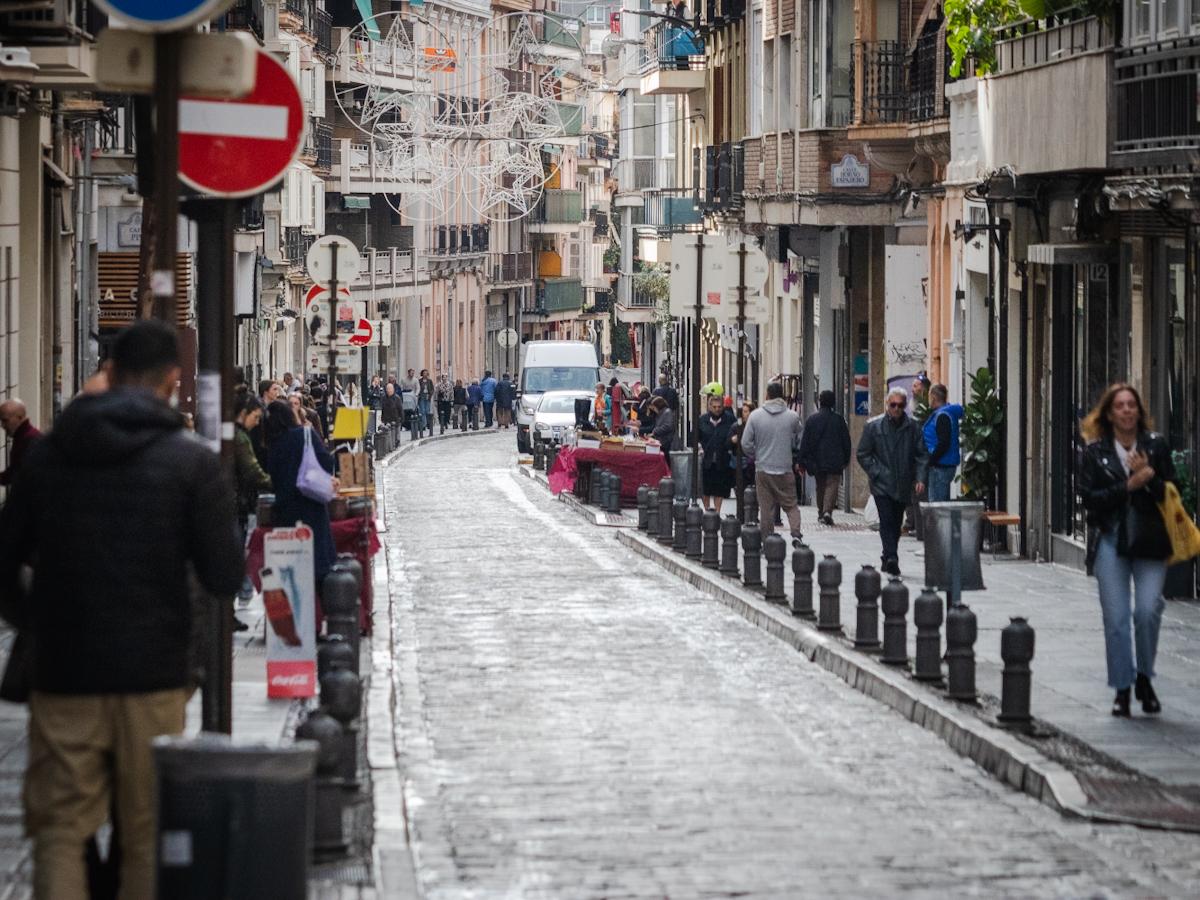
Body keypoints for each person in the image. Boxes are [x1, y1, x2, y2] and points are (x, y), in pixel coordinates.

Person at [0, 320, 243, 899]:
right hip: (154, 675)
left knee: (60, 827)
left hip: (65, 673)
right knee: (145, 831)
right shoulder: (189, 465)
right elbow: (225, 575)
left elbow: (3, 563)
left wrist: (35, 622)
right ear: (170, 382)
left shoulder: (46, 458)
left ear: (109, 374)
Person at [1080, 383, 1175, 718]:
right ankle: (1122, 688)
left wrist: (1150, 478)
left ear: (1139, 410)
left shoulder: (1155, 445)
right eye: (1119, 405)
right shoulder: (1096, 452)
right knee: (1117, 619)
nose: (1126, 410)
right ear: (1109, 412)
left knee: (1148, 611)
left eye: (1131, 404)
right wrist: (1127, 486)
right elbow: (1089, 500)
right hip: (1111, 539)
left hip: (1150, 539)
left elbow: (1173, 494)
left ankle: (1145, 677)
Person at [264, 399, 337, 588]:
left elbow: (272, 476)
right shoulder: (305, 435)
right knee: (317, 569)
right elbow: (327, 464)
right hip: (311, 507)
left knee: (291, 574)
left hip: (285, 511)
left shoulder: (272, 444)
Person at [857, 387, 928, 576]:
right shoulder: (874, 426)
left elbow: (921, 454)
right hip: (882, 484)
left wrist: (920, 478)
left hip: (903, 482)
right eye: (893, 404)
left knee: (896, 523)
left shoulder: (913, 427)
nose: (897, 409)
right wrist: (876, 472)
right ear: (887, 405)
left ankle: (887, 555)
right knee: (886, 521)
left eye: (901, 405)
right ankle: (892, 557)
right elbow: (863, 454)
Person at [741, 382, 804, 546]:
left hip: (763, 469)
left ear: (767, 395)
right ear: (782, 396)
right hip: (785, 468)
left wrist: (756, 454)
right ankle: (796, 534)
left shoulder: (755, 416)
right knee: (791, 505)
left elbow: (745, 443)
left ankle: (767, 540)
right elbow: (800, 439)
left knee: (766, 508)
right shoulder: (792, 416)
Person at [797, 390, 852, 526]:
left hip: (817, 460)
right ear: (833, 402)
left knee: (820, 486)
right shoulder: (839, 420)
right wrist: (846, 458)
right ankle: (827, 511)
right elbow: (846, 441)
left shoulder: (812, 420)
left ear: (820, 402)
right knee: (832, 485)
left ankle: (822, 512)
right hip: (835, 460)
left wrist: (801, 461)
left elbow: (805, 442)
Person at [924, 383, 965, 502]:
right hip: (944, 464)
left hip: (940, 465)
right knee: (941, 502)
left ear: (933, 397)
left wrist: (931, 460)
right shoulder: (945, 413)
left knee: (937, 505)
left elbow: (943, 443)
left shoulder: (942, 416)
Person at [698, 393, 736, 510]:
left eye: (719, 407)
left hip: (722, 459)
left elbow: (734, 432)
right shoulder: (703, 420)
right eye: (714, 407)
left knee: (719, 489)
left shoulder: (729, 419)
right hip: (707, 459)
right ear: (709, 407)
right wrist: (700, 448)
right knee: (706, 489)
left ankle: (717, 513)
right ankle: (707, 511)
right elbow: (695, 437)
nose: (717, 409)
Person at [0, 399, 42, 486]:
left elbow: (16, 474)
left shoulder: (28, 440)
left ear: (19, 417)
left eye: (5, 420)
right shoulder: (26, 437)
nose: (3, 426)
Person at [417, 369, 435, 436]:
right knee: (422, 411)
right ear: (422, 374)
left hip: (428, 397)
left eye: (426, 373)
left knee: (427, 411)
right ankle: (423, 425)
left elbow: (432, 389)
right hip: (422, 397)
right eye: (424, 373)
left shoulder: (429, 381)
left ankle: (428, 423)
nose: (425, 374)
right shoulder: (420, 381)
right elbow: (418, 388)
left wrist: (430, 394)